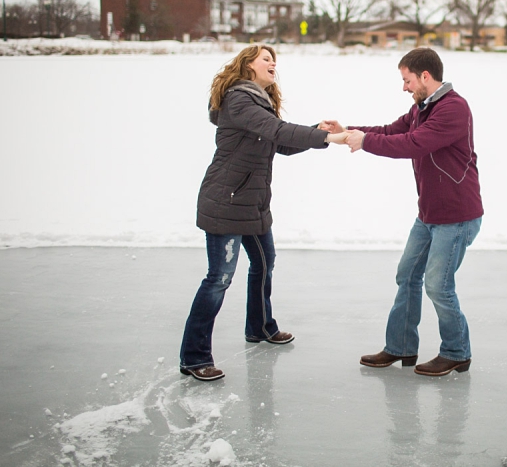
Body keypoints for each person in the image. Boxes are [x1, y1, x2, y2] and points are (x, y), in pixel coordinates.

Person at [180, 44, 348, 382]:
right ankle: (194, 357)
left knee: (263, 262)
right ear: (248, 66)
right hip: (226, 202)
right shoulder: (240, 99)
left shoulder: (260, 102)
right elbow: (279, 132)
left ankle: (259, 327)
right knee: (219, 279)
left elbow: (280, 144)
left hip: (251, 202)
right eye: (266, 58)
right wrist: (329, 138)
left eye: (275, 59)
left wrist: (318, 129)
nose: (273, 63)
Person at [320, 47, 483, 377]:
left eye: (407, 80)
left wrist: (363, 142)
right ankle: (401, 347)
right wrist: (347, 131)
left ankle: (457, 352)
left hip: (457, 216)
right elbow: (391, 131)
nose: (404, 88)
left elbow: (413, 144)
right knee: (407, 275)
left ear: (425, 76)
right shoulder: (422, 108)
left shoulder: (453, 109)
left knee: (438, 285)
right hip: (429, 214)